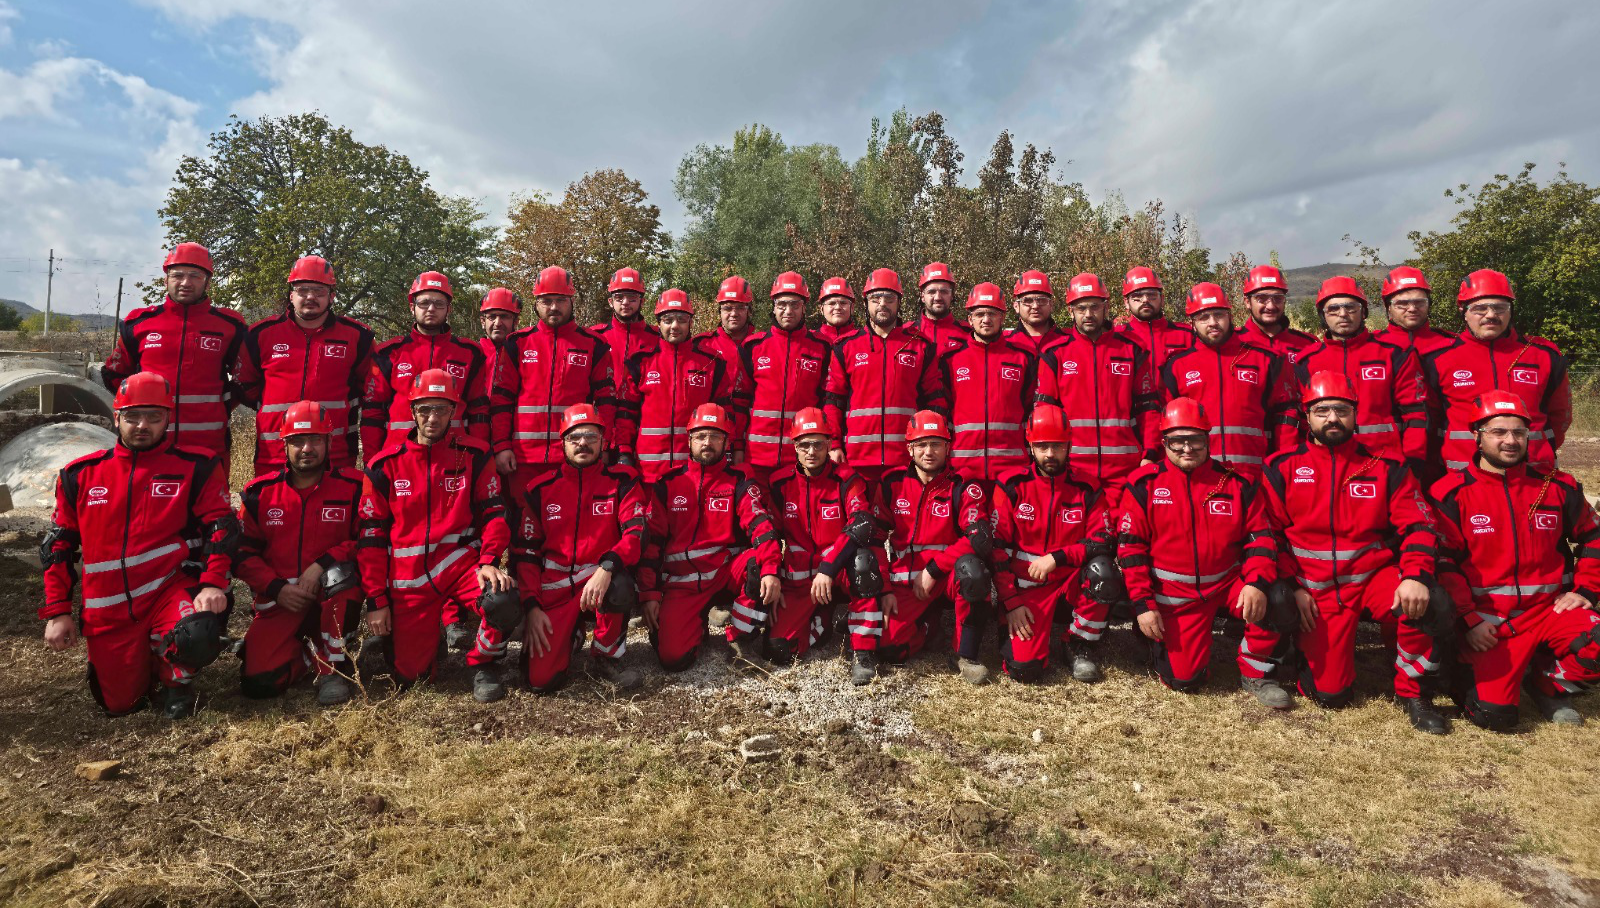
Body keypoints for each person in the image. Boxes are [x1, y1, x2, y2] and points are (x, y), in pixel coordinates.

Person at [1260, 372, 1452, 733]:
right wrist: (1292, 585)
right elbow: (1269, 535)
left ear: (1355, 414)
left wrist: (1414, 575)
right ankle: (1306, 653)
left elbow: (1420, 526)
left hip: (1370, 577)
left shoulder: (1386, 466)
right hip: (1312, 585)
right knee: (1330, 696)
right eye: (1322, 410)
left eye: (1342, 410)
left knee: (1431, 600)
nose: (1332, 418)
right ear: (1307, 416)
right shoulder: (1280, 466)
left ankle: (1413, 692)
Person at [41, 371, 238, 718]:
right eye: (132, 416)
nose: (142, 425)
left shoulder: (197, 466)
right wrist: (57, 612)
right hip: (107, 607)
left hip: (169, 589)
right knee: (121, 706)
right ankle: (139, 661)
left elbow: (221, 528)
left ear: (169, 419)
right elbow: (56, 548)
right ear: (116, 418)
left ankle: (177, 681)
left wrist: (212, 583)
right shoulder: (79, 475)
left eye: (154, 416)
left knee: (197, 629)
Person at [1432, 390, 1600, 731]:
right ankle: (1467, 673)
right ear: (1477, 436)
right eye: (1498, 432)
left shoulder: (1557, 487)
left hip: (1550, 611)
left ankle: (1547, 684)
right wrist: (1469, 620)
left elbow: (1593, 537)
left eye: (1519, 432)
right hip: (1489, 625)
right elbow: (1444, 564)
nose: (1510, 440)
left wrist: (1587, 590)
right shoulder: (1450, 492)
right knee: (1495, 718)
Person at [356, 369, 517, 702]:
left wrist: (489, 560)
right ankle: (429, 641)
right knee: (410, 677)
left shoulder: (474, 455)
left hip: (460, 565)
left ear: (454, 411)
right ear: (412, 411)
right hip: (408, 578)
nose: (433, 417)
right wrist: (377, 601)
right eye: (425, 409)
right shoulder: (383, 466)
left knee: (503, 599)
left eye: (442, 409)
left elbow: (495, 514)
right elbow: (370, 539)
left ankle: (484, 662)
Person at [1118, 398, 1291, 707]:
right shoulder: (1143, 484)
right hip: (1174, 595)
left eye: (1195, 439)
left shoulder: (1237, 483)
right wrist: (1143, 604)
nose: (1187, 448)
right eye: (1177, 441)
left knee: (1277, 597)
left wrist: (1256, 583)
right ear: (1163, 442)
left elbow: (1261, 540)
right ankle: (1154, 637)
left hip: (1226, 585)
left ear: (1207, 439)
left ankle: (1257, 671)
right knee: (1184, 680)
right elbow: (1131, 552)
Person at [235, 400, 365, 705]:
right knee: (259, 684)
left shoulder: (354, 487)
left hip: (330, 595)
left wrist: (321, 564)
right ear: (284, 445)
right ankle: (305, 654)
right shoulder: (258, 495)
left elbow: (369, 540)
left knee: (341, 576)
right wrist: (277, 589)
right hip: (281, 600)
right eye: (297, 441)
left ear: (330, 442)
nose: (307, 448)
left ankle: (333, 668)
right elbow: (242, 555)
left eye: (315, 440)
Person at [512, 404, 648, 693]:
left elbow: (636, 534)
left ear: (603, 441)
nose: (583, 443)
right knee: (540, 681)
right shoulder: (539, 489)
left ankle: (605, 656)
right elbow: (525, 556)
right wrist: (532, 606)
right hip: (554, 591)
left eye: (591, 436)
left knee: (620, 584)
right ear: (562, 442)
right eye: (574, 437)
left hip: (599, 581)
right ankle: (571, 634)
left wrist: (607, 566)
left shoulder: (622, 481)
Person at [639, 404, 782, 671]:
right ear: (689, 440)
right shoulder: (667, 484)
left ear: (727, 442)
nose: (708, 443)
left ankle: (739, 635)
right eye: (701, 436)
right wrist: (649, 593)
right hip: (682, 583)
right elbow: (653, 544)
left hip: (724, 571)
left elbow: (760, 524)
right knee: (673, 659)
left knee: (759, 562)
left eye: (715, 436)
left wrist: (772, 568)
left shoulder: (739, 481)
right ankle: (695, 625)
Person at [991, 405, 1115, 683]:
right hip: (1025, 591)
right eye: (1042, 446)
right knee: (1024, 670)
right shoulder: (1010, 485)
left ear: (1069, 445)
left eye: (1057, 446)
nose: (1050, 454)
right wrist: (1010, 602)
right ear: (1030, 446)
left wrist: (1057, 557)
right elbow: (996, 549)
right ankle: (1014, 628)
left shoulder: (1088, 487)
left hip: (1068, 584)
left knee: (1104, 572)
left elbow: (1104, 539)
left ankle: (1079, 643)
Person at [869, 410, 994, 685]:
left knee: (974, 572)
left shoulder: (963, 484)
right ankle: (929, 625)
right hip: (906, 581)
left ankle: (966, 655)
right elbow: (876, 538)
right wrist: (886, 589)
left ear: (948, 447)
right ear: (909, 447)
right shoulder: (892, 484)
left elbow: (979, 538)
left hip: (947, 575)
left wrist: (935, 569)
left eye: (936, 443)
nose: (929, 452)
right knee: (889, 651)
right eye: (921, 444)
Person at [102, 243, 247, 460]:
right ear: (166, 279)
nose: (185, 283)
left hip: (209, 443)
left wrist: (221, 408)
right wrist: (140, 411)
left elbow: (245, 379)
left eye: (195, 276)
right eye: (177, 275)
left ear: (207, 282)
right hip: (150, 442)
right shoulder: (139, 323)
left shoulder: (230, 325)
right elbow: (114, 375)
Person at [236, 255, 376, 475]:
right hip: (273, 454)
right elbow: (245, 387)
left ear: (332, 297)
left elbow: (367, 389)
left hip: (335, 455)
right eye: (303, 290)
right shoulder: (260, 335)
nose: (310, 297)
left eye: (319, 291)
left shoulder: (358, 337)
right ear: (291, 295)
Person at [1422, 269, 1571, 473]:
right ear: (1463, 312)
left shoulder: (1543, 355)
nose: (1491, 315)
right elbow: (1429, 419)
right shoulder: (1437, 358)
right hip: (1462, 479)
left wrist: (1540, 448)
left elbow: (1560, 415)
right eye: (1480, 308)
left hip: (1532, 475)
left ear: (1511, 311)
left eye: (1500, 308)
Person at [765, 408, 880, 674]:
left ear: (829, 444)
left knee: (864, 562)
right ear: (794, 446)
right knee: (777, 650)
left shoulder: (846, 478)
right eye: (804, 444)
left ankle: (863, 652)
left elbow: (862, 523)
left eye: (818, 443)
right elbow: (771, 534)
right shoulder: (779, 483)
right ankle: (825, 617)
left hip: (838, 572)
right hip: (799, 577)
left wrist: (828, 567)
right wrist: (773, 576)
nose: (811, 451)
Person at [1036, 272, 1161, 502]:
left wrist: (1150, 453)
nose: (1088, 314)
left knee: (1125, 534)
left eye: (1094, 307)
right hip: (1073, 468)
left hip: (1126, 467)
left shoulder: (1132, 349)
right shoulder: (1055, 352)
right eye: (1081, 308)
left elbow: (1148, 407)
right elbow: (1045, 414)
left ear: (1106, 307)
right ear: (1070, 310)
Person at [360, 270, 510, 460]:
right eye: (424, 303)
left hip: (456, 455)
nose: (431, 309)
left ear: (449, 309)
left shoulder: (469, 353)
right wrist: (372, 460)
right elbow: (372, 412)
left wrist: (479, 455)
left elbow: (478, 411)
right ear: (412, 307)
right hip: (399, 457)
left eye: (439, 303)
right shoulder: (388, 353)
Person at [823, 268, 949, 486]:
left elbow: (935, 402)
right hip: (857, 460)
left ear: (899, 302)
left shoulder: (920, 345)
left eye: (889, 298)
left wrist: (934, 447)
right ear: (865, 303)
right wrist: (834, 445)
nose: (882, 303)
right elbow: (833, 401)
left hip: (908, 460)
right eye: (875, 298)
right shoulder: (846, 346)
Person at [1161, 283, 1300, 477]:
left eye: (1219, 315)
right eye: (1203, 317)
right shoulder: (1177, 366)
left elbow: (1285, 415)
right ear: (1192, 323)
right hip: (1200, 476)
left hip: (1256, 474)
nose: (1212, 323)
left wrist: (1284, 463)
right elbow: (1165, 426)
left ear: (1230, 316)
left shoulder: (1267, 359)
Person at [498, 266, 616, 488]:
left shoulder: (594, 345)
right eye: (546, 300)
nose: (553, 307)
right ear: (536, 304)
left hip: (574, 456)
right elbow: (502, 400)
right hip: (523, 459)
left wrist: (604, 446)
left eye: (561, 300)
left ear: (572, 302)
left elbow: (606, 403)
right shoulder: (517, 344)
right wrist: (502, 447)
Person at [1293, 276, 1427, 466]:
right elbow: (1301, 418)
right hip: (1326, 462)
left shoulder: (1394, 354)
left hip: (1385, 461)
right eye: (1333, 309)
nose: (1343, 314)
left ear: (1363, 312)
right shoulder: (1307, 360)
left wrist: (1414, 461)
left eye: (1351, 307)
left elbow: (1416, 415)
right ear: (1323, 315)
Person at [615, 289, 739, 481]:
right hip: (648, 471)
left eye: (681, 319)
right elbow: (626, 413)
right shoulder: (640, 361)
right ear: (658, 322)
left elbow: (726, 412)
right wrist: (623, 451)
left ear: (691, 321)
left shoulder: (712, 361)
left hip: (696, 470)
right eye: (668, 320)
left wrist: (728, 449)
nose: (674, 326)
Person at [739, 272, 834, 488]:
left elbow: (828, 401)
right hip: (757, 457)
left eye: (795, 304)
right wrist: (737, 448)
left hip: (803, 457)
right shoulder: (753, 347)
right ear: (773, 306)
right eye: (782, 304)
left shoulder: (822, 347)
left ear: (804, 308)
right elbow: (739, 403)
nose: (788, 311)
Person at [939, 282, 1036, 483]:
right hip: (962, 468)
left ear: (1002, 317)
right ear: (970, 319)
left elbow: (1030, 410)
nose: (986, 320)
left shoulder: (1023, 359)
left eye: (992, 313)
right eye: (979, 314)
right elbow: (944, 412)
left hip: (1012, 469)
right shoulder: (951, 360)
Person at [1115, 266, 1193, 377]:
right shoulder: (1118, 337)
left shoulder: (1185, 334)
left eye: (1151, 295)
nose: (1145, 300)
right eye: (1137, 296)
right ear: (1126, 302)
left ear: (1162, 299)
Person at [1238, 264, 1317, 370]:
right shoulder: (1233, 344)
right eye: (1261, 298)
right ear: (1247, 302)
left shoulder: (1307, 344)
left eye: (1278, 298)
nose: (1270, 306)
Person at [591, 267, 660, 386]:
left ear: (642, 302)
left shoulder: (658, 338)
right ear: (610, 302)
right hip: (602, 403)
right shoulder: (596, 336)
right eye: (619, 298)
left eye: (632, 298)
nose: (625, 302)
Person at [1373, 266, 1453, 358]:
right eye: (1402, 303)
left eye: (1419, 302)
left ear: (1429, 303)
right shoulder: (1374, 345)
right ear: (1388, 307)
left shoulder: (1449, 344)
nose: (1412, 309)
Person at [906, 262, 969, 352]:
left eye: (944, 291)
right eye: (931, 292)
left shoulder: (968, 334)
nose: (938, 297)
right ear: (923, 296)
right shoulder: (907, 333)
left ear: (952, 295)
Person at [1006, 270, 1071, 357]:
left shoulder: (1068, 341)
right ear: (1016, 306)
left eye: (1042, 300)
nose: (1035, 306)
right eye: (1027, 301)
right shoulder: (1005, 343)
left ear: (1051, 305)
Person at [476, 286, 522, 381]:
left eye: (505, 316)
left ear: (516, 322)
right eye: (492, 317)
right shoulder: (472, 355)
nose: (497, 323)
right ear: (483, 322)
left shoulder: (524, 356)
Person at [815, 276, 858, 346]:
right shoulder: (810, 340)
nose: (838, 307)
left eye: (843, 303)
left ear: (852, 308)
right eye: (831, 303)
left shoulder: (865, 340)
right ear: (822, 309)